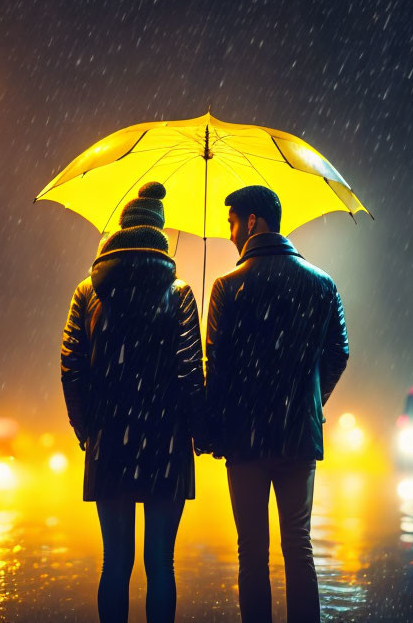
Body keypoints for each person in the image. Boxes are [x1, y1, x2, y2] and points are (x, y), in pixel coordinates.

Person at [204, 185, 349, 623]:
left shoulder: (227, 287)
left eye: (232, 223)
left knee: (252, 552)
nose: (229, 234)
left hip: (245, 441)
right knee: (298, 546)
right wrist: (310, 400)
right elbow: (338, 352)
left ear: (253, 222)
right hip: (298, 438)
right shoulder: (322, 283)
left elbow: (219, 366)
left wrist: (214, 426)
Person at [61, 182, 203, 623]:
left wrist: (86, 428)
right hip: (166, 440)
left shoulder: (89, 292)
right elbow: (188, 372)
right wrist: (198, 430)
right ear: (161, 233)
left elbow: (71, 365)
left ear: (121, 230)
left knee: (115, 562)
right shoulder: (178, 292)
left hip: (109, 440)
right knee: (161, 563)